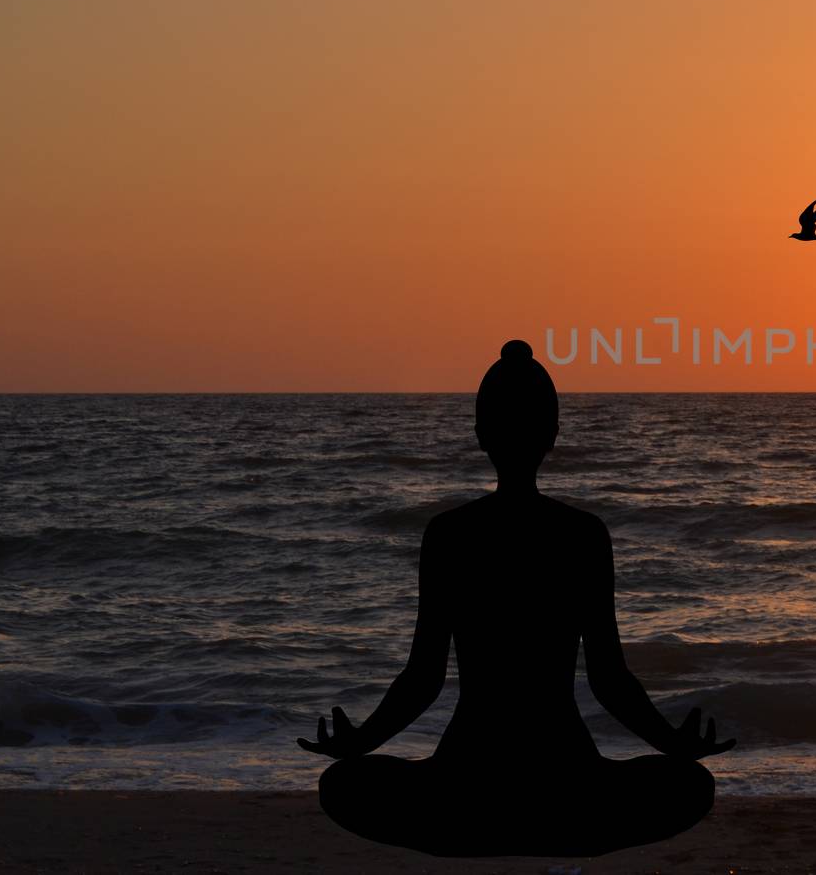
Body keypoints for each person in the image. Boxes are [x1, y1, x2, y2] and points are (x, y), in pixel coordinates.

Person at [298, 340, 733, 857]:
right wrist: (674, 746)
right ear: (552, 435)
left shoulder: (450, 534)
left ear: (482, 435)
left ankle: (480, 830)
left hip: (467, 778)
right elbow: (609, 680)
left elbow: (424, 678)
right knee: (689, 784)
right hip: (567, 777)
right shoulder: (582, 535)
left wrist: (360, 745)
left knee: (344, 783)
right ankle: (555, 830)